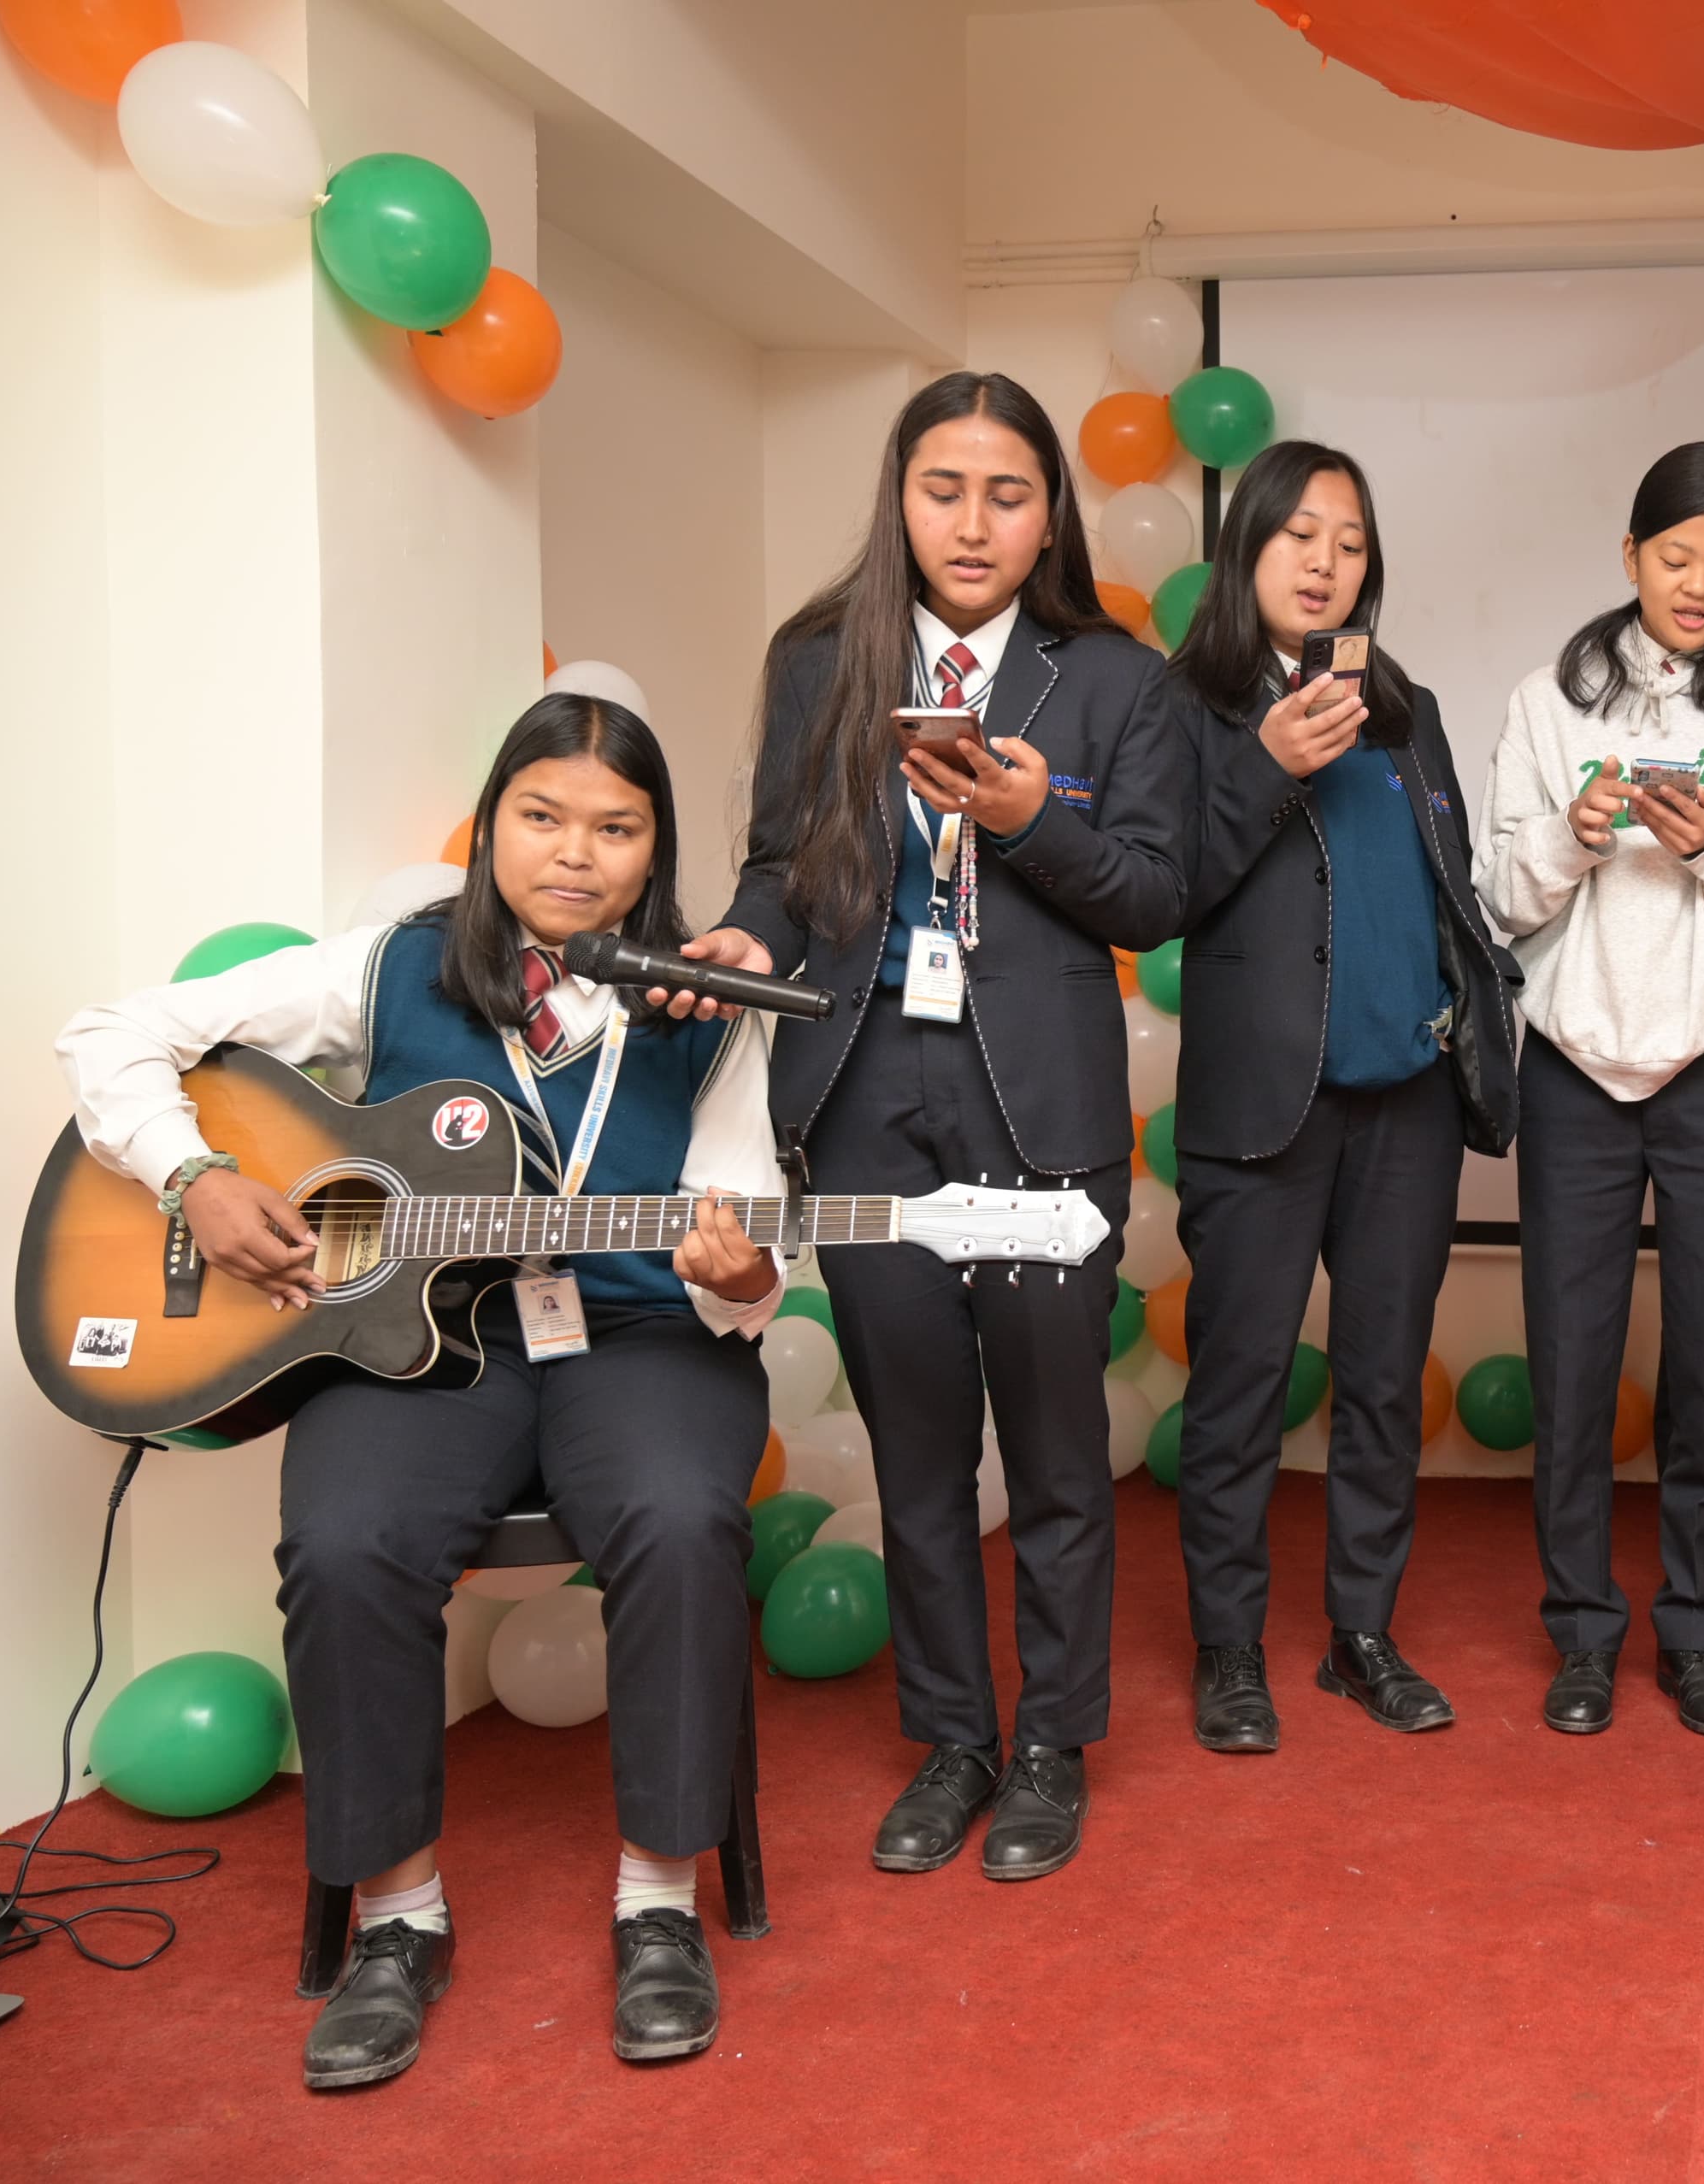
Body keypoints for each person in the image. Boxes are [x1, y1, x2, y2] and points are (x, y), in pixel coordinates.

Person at [56, 696, 787, 2086]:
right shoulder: (389, 970)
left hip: (636, 1334)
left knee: (687, 1521)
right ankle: (398, 1922)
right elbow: (112, 1033)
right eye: (544, 816)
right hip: (419, 1344)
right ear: (495, 820)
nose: (577, 853)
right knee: (343, 1543)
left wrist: (741, 1277)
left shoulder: (707, 1004)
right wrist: (197, 1176)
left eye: (617, 828)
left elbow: (735, 1245)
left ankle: (658, 1907)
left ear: (657, 847)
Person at [662, 370, 1189, 1878]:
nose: (973, 522)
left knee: (1055, 1441)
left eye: (1008, 494)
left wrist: (1033, 822)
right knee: (917, 1450)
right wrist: (751, 940)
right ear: (900, 497)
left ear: (1049, 517)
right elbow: (780, 863)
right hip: (863, 1083)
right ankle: (954, 1738)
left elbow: (1152, 896)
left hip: (1041, 1095)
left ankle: (1050, 1742)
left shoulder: (1112, 676)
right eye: (944, 489)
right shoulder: (823, 655)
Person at [1475, 439, 1704, 1738]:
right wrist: (1571, 841)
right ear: (1629, 556)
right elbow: (1501, 903)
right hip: (1576, 1066)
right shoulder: (1546, 704)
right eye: (1675, 559)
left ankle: (1694, 1630)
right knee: (1573, 1367)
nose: (1699, 586)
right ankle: (1581, 1630)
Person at [1164, 439, 1520, 1751]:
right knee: (1241, 1385)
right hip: (1265, 1105)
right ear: (1247, 545)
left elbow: (1445, 876)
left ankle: (1362, 1632)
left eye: (1352, 541)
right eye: (1300, 534)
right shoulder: (1189, 706)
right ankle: (1228, 1650)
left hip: (1408, 1099)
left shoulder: (1400, 700)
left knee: (1380, 1382)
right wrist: (1266, 761)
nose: (1326, 562)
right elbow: (1163, 889)